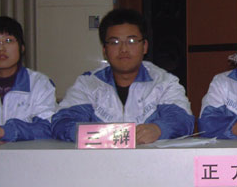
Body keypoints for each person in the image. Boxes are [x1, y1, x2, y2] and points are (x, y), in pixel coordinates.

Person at [51, 8, 194, 144]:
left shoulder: (164, 82)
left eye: (131, 41)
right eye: (115, 42)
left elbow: (182, 120)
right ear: (105, 50)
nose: (123, 49)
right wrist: (107, 136)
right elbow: (62, 123)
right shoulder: (88, 84)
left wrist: (159, 129)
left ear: (144, 46)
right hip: (99, 159)